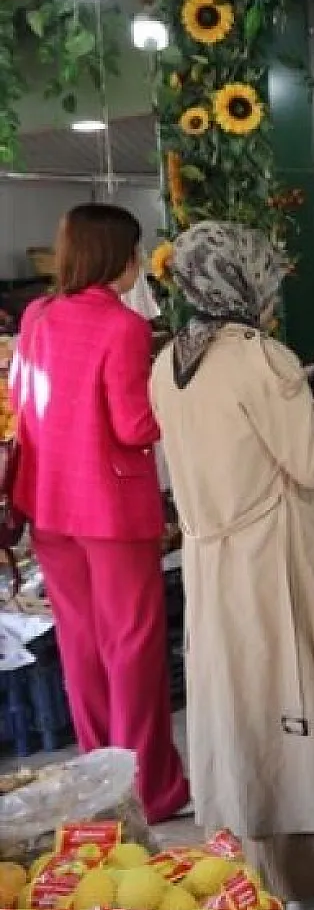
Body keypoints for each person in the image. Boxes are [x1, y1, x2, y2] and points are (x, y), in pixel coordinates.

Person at [149, 222, 314, 910]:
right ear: (248, 282)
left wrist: (296, 390)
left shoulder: (169, 362)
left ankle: (251, 866)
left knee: (238, 707)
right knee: (295, 697)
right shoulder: (261, 357)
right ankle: (307, 874)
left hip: (209, 561)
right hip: (274, 557)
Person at [9, 204, 189, 824]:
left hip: (49, 505)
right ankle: (151, 789)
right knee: (132, 647)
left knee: (83, 645)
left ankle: (100, 781)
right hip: (112, 509)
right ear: (119, 256)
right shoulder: (124, 327)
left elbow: (22, 401)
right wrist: (179, 401)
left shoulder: (35, 316)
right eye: (135, 251)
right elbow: (133, 426)